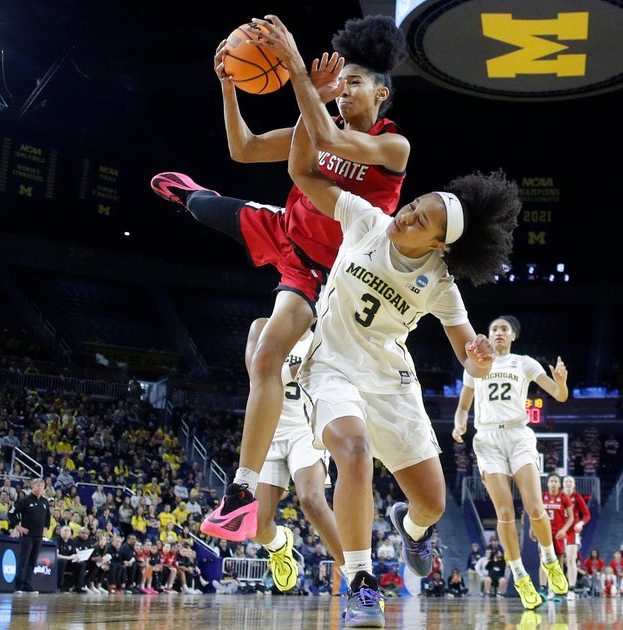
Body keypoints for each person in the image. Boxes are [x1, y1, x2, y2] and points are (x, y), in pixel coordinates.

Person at [267, 13, 521, 627]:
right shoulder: (366, 220)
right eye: (414, 204)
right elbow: (303, 172)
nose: (406, 214)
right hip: (330, 365)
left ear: (441, 244)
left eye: (422, 218)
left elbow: (465, 345)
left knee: (430, 503)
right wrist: (311, 97)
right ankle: (359, 582)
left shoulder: (441, 282)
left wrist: (479, 358)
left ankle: (412, 530)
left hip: (391, 380)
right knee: (350, 452)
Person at [149, 14, 410, 544]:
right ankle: (243, 491)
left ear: (381, 93)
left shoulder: (392, 148)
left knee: (269, 350)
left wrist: (296, 70)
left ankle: (251, 494)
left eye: (352, 83)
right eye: (338, 86)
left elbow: (324, 137)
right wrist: (230, 86)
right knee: (207, 210)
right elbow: (242, 148)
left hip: (333, 275)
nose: (342, 92)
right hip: (289, 235)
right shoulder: (316, 123)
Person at [451, 315, 571, 610]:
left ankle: (549, 560)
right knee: (504, 511)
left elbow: (559, 395)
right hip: (488, 440)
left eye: (504, 329)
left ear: (513, 336)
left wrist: (561, 383)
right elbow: (463, 405)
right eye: (494, 329)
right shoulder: (476, 363)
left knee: (534, 507)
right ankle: (519, 577)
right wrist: (459, 423)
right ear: (488, 336)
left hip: (518, 436)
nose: (498, 333)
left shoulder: (525, 363)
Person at [243, 317, 344, 593]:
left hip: (305, 428)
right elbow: (258, 375)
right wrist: (300, 366)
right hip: (269, 431)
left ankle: (360, 579)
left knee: (312, 500)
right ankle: (279, 545)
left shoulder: (325, 335)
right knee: (258, 524)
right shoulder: (262, 327)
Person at [9, 478, 51, 594]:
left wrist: (46, 528)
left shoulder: (45, 502)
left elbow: (47, 517)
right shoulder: (25, 500)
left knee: (33, 561)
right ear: (32, 487)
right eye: (37, 486)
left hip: (38, 536)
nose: (39, 488)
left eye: (42, 486)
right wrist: (17, 526)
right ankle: (18, 585)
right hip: (27, 535)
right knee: (23, 560)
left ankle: (27, 584)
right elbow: (11, 513)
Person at [538, 473, 575, 598]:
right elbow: (535, 514)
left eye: (556, 481)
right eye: (551, 481)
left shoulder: (564, 497)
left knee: (559, 562)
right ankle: (543, 588)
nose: (553, 483)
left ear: (559, 484)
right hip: (544, 533)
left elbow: (571, 517)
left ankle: (558, 590)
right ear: (548, 483)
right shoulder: (542, 497)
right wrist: (533, 528)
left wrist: (564, 530)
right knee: (543, 560)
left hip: (558, 533)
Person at [561, 475, 591, 600]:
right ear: (562, 484)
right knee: (555, 561)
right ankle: (554, 589)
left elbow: (587, 515)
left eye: (570, 481)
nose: (568, 483)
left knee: (571, 560)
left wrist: (581, 523)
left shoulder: (577, 497)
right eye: (566, 481)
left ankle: (571, 590)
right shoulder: (557, 497)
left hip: (572, 531)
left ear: (574, 485)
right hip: (559, 530)